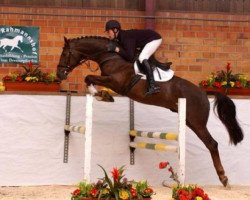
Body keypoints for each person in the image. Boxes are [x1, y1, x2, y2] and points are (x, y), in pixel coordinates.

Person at [105, 19, 168, 95]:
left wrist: (116, 49)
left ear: (115, 30)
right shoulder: (120, 37)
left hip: (155, 39)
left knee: (142, 57)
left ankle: (152, 86)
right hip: (147, 40)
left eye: (109, 31)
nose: (108, 34)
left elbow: (129, 57)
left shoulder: (126, 37)